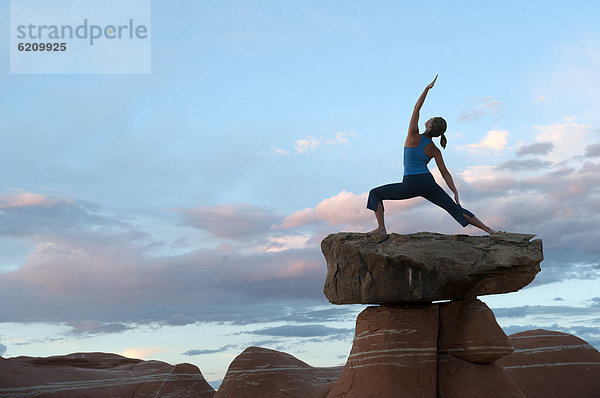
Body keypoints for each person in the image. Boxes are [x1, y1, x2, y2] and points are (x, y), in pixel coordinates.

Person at [366, 75, 497, 235]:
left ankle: (381, 228)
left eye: (430, 119)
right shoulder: (435, 149)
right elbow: (445, 173)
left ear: (429, 126)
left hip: (411, 183)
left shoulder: (413, 136)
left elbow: (416, 108)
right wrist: (454, 191)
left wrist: (426, 89)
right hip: (428, 183)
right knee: (454, 208)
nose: (427, 119)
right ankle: (489, 230)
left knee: (375, 193)